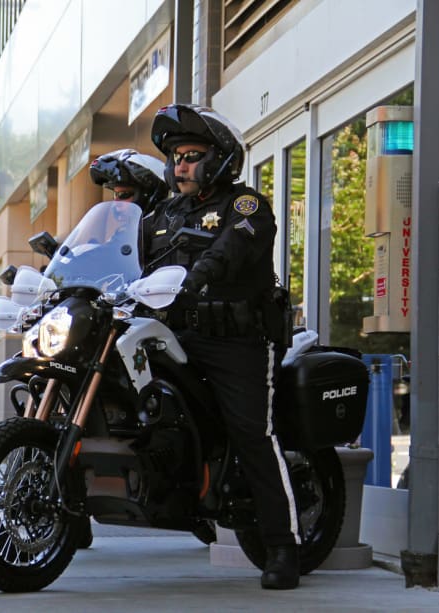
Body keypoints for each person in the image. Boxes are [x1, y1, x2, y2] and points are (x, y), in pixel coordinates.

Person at [145, 104, 300, 589]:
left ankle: (282, 547)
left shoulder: (246, 205)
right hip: (177, 336)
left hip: (237, 342)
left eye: (191, 155)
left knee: (253, 434)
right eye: (175, 157)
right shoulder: (162, 216)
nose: (180, 166)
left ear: (219, 158)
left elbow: (230, 249)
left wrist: (196, 278)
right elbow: (133, 267)